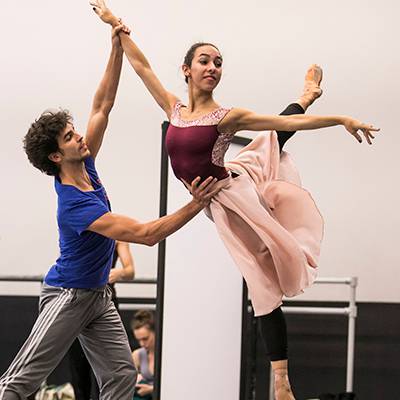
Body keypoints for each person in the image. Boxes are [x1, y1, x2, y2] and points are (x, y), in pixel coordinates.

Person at [90, 3, 379, 399]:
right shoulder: (173, 107)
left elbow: (287, 124)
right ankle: (305, 94)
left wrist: (342, 119)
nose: (213, 67)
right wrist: (115, 25)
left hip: (230, 197)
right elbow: (141, 67)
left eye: (219, 62)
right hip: (227, 180)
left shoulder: (227, 116)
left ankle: (281, 380)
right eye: (204, 61)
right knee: (264, 148)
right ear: (187, 69)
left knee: (261, 278)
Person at [0, 24, 220, 400]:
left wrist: (116, 46)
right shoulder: (75, 205)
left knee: (121, 378)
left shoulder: (86, 165)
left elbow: (103, 104)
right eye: (70, 137)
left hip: (98, 295)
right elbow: (148, 235)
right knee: (19, 383)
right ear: (56, 156)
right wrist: (197, 202)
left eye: (73, 131)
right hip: (67, 295)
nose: (79, 137)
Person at [68, 241, 135, 400]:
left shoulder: (117, 237)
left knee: (107, 365)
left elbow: (130, 270)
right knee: (78, 365)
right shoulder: (82, 229)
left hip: (105, 300)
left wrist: (117, 273)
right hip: (79, 301)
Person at [131, 310, 155, 400]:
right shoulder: (137, 355)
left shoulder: (167, 355)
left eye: (145, 339)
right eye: (138, 340)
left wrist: (152, 389)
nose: (142, 344)